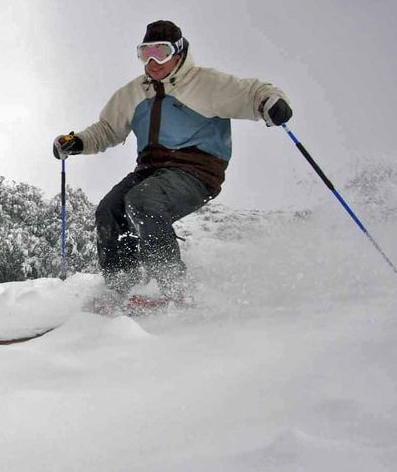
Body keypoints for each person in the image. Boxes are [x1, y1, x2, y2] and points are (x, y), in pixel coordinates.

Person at [53, 20, 292, 299]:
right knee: (109, 209)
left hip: (196, 170)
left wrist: (269, 103)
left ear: (178, 54)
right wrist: (77, 142)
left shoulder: (205, 83)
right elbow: (107, 130)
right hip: (151, 170)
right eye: (146, 53)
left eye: (161, 52)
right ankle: (121, 288)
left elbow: (252, 93)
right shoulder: (134, 92)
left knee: (143, 201)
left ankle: (170, 287)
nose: (153, 62)